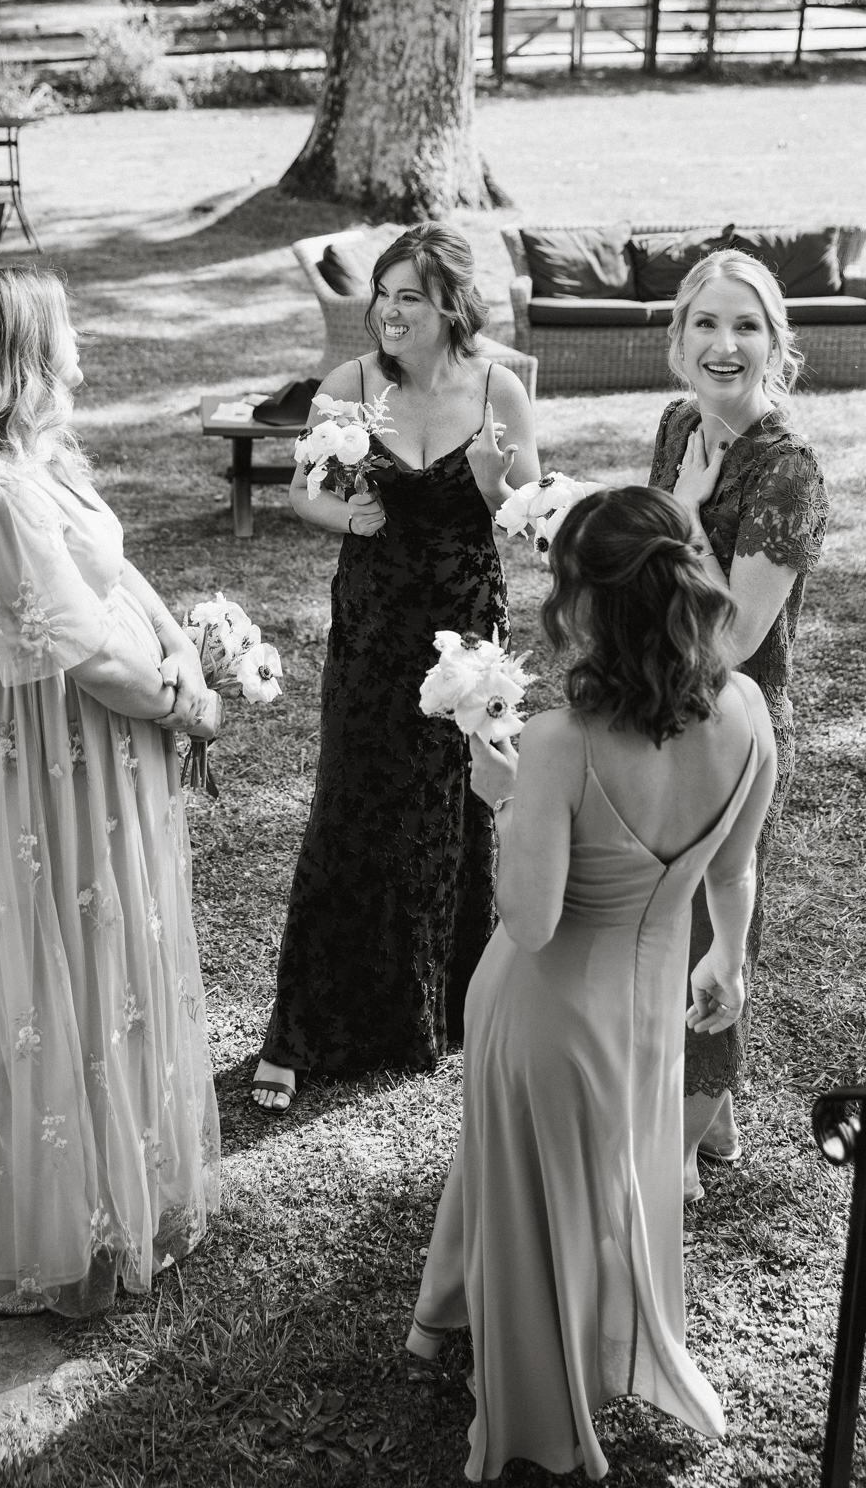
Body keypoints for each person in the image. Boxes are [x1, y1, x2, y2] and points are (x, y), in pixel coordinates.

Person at [407, 485, 777, 1482]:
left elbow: (529, 922)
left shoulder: (560, 744)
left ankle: (532, 1406)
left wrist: (501, 798)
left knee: (530, 1185)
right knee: (606, 1180)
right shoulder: (746, 709)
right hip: (650, 1005)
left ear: (584, 603)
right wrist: (726, 957)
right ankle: (478, 1314)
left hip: (546, 1014)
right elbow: (736, 869)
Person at [0, 266, 222, 1316]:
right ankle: (56, 1213)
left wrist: (180, 643)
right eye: (63, 333)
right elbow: (83, 649)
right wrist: (182, 707)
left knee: (110, 950)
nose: (80, 349)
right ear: (15, 361)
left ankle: (119, 1175)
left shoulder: (42, 462)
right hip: (50, 760)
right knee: (63, 958)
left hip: (88, 746)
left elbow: (119, 578)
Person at [252, 222, 540, 1110]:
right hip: (373, 625)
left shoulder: (501, 386)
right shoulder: (349, 385)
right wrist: (351, 520)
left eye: (408, 296)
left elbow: (525, 523)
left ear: (451, 304)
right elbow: (304, 491)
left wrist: (497, 489)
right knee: (352, 802)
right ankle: (301, 1030)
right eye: (382, 294)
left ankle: (444, 1009)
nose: (386, 311)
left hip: (465, 631)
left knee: (454, 809)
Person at [649, 249, 829, 1199]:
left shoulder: (788, 468)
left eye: (746, 325)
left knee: (711, 934)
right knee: (668, 925)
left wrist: (681, 516)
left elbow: (742, 631)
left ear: (774, 343)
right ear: (679, 339)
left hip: (736, 724)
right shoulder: (680, 422)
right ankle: (710, 1119)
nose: (725, 345)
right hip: (661, 705)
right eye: (706, 325)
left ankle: (678, 1148)